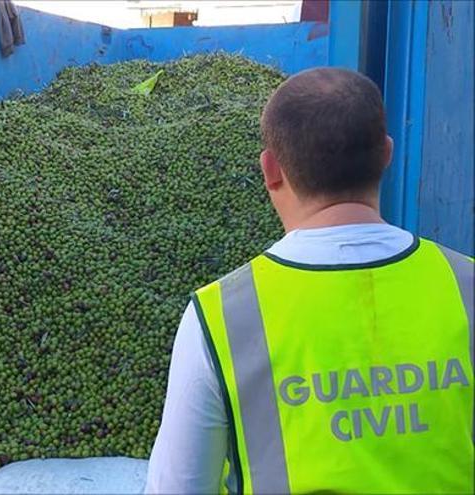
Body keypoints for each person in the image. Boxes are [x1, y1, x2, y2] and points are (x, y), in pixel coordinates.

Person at [145, 67, 474, 494]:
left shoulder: (219, 316)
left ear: (270, 169)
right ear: (387, 153)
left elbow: (178, 487)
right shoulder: (465, 285)